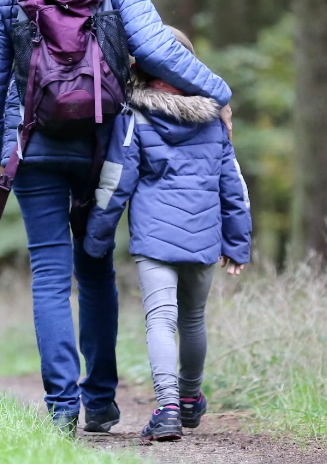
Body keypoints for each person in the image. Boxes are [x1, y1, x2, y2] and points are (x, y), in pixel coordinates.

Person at [0, 0, 233, 435]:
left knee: (48, 273)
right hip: (103, 145)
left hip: (34, 144)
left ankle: (62, 409)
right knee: (94, 268)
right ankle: (103, 403)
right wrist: (219, 92)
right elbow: (159, 48)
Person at [83, 27, 251, 440]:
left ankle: (169, 408)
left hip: (155, 239)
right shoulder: (214, 118)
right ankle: (191, 399)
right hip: (205, 236)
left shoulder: (134, 116)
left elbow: (116, 181)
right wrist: (238, 242)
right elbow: (234, 186)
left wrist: (97, 237)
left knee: (161, 319)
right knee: (193, 319)